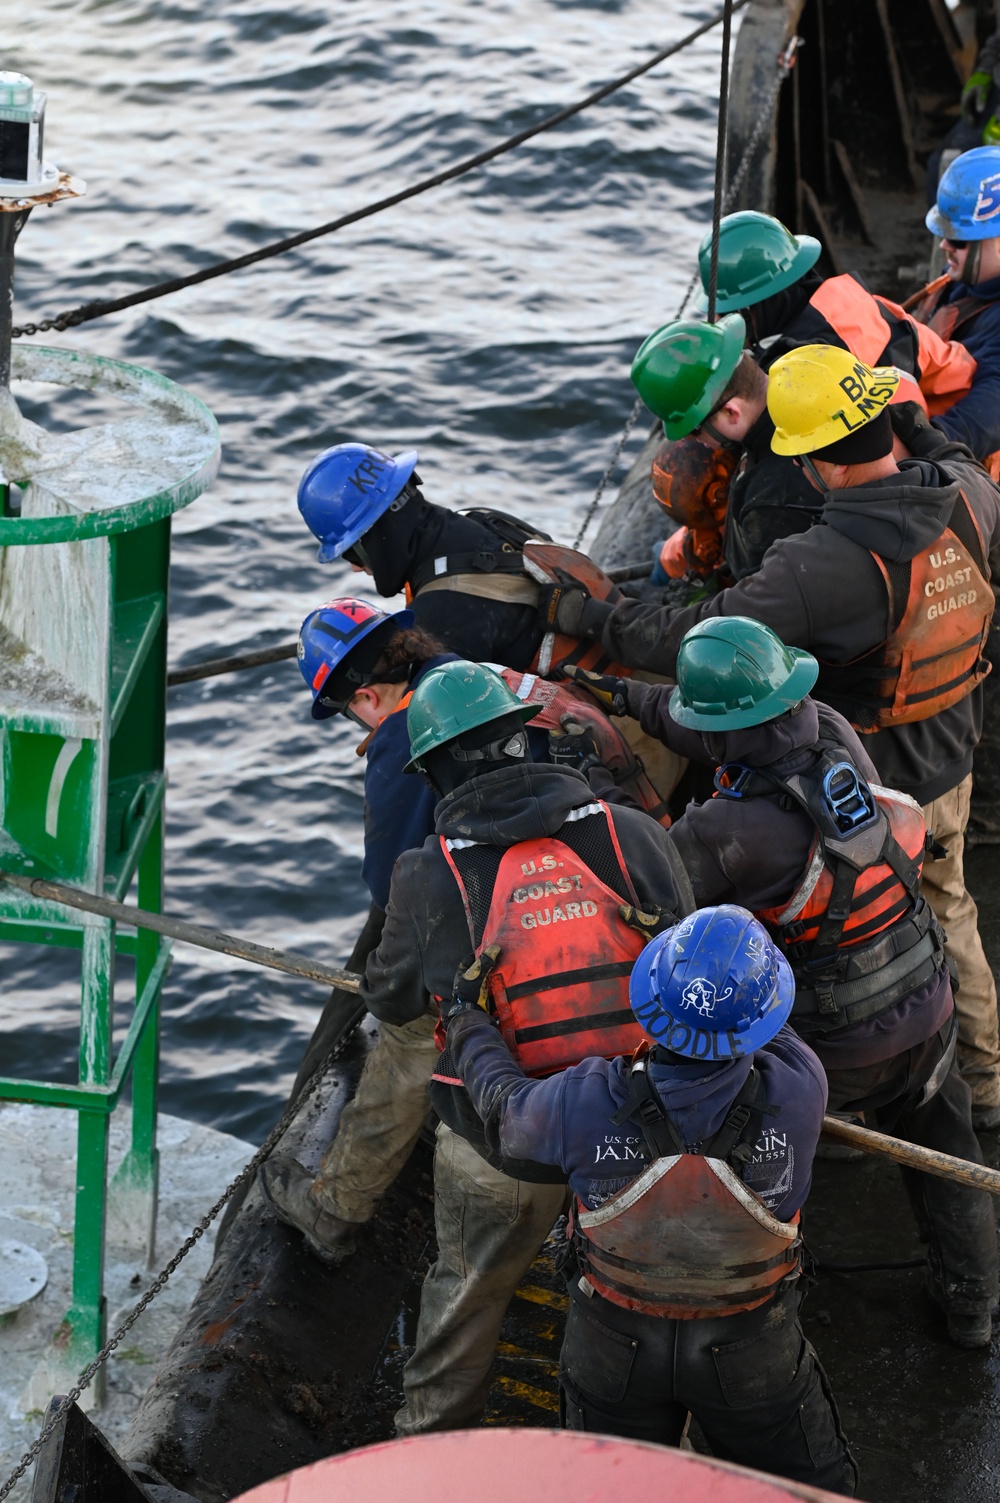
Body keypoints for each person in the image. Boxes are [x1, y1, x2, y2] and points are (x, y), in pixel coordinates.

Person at [542, 346, 1000, 1130]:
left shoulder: (819, 564)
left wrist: (595, 617)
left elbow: (698, 635)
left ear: (816, 465)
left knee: (875, 922)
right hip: (956, 748)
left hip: (872, 774)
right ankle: (982, 1080)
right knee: (948, 912)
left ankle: (898, 1083)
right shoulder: (972, 497)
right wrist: (913, 421)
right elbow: (950, 452)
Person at [571, 618, 1000, 1347]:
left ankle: (760, 1304)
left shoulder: (721, 832)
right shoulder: (829, 731)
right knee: (945, 1142)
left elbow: (659, 901)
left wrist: (605, 785)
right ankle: (975, 1307)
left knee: (751, 1133)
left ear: (715, 735)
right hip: (927, 1007)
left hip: (838, 1052)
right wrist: (626, 697)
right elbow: (721, 733)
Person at [353, 659, 692, 1435]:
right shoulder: (632, 833)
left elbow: (392, 997)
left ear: (432, 771)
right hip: (644, 1122)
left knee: (467, 1289)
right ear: (523, 737)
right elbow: (686, 957)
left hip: (507, 1138)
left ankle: (432, 1444)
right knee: (655, 1298)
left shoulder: (426, 876)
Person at [443, 904, 857, 1494]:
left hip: (613, 1347)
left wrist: (466, 1021)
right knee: (814, 1490)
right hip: (751, 1352)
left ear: (651, 1008)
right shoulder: (799, 1087)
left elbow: (502, 1106)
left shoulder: (583, 1102)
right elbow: (771, 1023)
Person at [297, 443, 548, 669]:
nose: (355, 568)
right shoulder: (482, 521)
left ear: (371, 539)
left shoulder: (435, 625)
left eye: (351, 554)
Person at [912, 145, 1000, 467]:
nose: (944, 245)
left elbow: (984, 418)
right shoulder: (967, 279)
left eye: (959, 240)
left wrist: (912, 452)